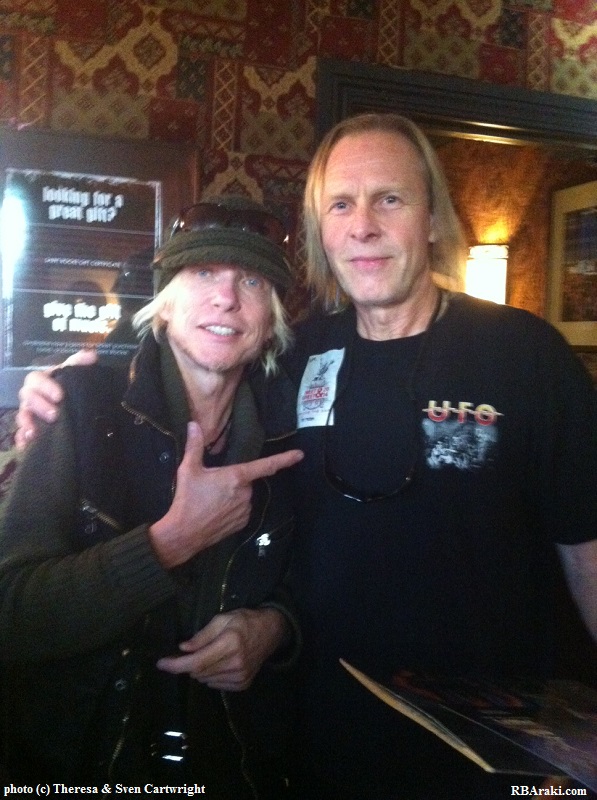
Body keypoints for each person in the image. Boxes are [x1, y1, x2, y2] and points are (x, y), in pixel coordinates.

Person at [13, 114, 597, 800]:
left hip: (494, 756)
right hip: (317, 748)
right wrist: (59, 390)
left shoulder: (526, 355)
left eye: (389, 199)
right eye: (340, 205)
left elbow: (587, 554)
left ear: (433, 219)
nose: (363, 226)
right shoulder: (297, 361)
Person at [0, 194, 303, 796]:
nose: (226, 297)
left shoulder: (291, 436)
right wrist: (168, 543)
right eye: (204, 272)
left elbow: (313, 582)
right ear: (165, 304)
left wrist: (274, 629)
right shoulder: (81, 407)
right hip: (82, 769)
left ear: (271, 320)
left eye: (250, 280)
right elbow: (10, 617)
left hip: (227, 769)